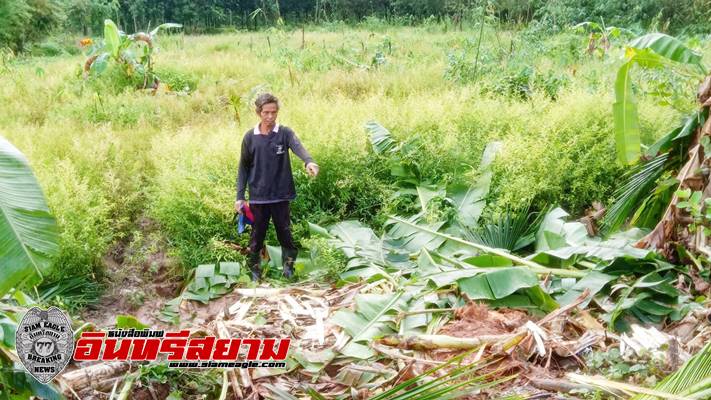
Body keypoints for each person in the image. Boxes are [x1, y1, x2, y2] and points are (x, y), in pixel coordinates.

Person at [235, 93, 319, 281]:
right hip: (258, 196)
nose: (270, 117)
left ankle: (288, 270)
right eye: (266, 113)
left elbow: (298, 147)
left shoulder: (284, 133)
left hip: (281, 195)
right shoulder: (250, 137)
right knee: (257, 236)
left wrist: (309, 162)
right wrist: (239, 196)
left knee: (285, 233)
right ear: (259, 112)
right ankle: (254, 271)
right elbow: (243, 167)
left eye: (274, 112)